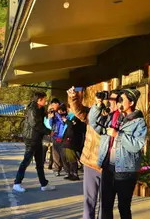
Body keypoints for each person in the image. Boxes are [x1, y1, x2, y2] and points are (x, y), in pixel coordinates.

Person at [89, 89, 147, 219]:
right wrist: (98, 104)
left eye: (121, 100)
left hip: (126, 170)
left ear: (131, 102)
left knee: (124, 206)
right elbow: (94, 123)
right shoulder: (112, 117)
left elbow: (136, 145)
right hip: (108, 167)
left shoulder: (139, 122)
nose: (117, 102)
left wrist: (118, 135)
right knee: (105, 205)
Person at [67, 87, 101, 219]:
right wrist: (73, 98)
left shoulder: (117, 118)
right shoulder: (91, 114)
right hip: (91, 161)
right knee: (89, 200)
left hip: (109, 165)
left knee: (105, 203)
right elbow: (78, 110)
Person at [13, 92, 56, 192]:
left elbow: (43, 117)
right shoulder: (32, 109)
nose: (45, 101)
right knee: (26, 161)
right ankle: (17, 183)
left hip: (37, 138)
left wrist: (49, 111)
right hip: (31, 138)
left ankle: (44, 184)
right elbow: (36, 124)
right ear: (39, 100)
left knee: (40, 162)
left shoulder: (39, 109)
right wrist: (49, 132)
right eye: (44, 99)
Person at [61, 105, 85, 181]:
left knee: (72, 157)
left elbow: (72, 126)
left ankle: (75, 174)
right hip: (66, 139)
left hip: (72, 140)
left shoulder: (77, 117)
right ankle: (70, 173)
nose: (69, 110)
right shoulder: (69, 117)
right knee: (66, 157)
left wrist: (66, 121)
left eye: (70, 108)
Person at [47, 98, 67, 176]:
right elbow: (51, 124)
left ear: (57, 104)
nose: (52, 106)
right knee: (55, 155)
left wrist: (58, 114)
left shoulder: (63, 111)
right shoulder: (54, 114)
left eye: (53, 105)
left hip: (62, 137)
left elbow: (63, 122)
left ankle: (66, 170)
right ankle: (57, 169)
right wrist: (51, 117)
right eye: (51, 105)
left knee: (63, 155)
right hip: (55, 136)